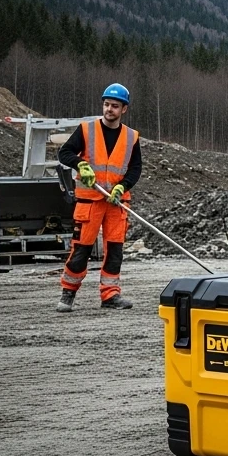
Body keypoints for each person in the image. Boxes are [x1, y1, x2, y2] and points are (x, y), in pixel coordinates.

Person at [56, 83, 142, 311]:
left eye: (115, 106)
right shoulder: (87, 130)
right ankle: (68, 293)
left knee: (115, 250)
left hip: (116, 202)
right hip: (89, 201)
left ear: (124, 109)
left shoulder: (131, 137)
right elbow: (64, 153)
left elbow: (135, 169)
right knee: (81, 249)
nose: (109, 109)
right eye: (106, 105)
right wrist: (80, 164)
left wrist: (122, 187)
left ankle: (110, 295)